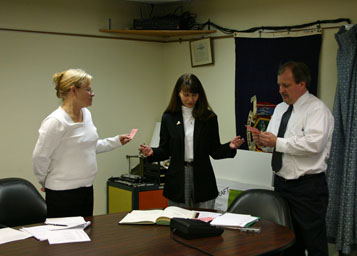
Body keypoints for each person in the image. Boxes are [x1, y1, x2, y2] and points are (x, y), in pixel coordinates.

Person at [251, 62, 334, 256]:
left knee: (314, 244)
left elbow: (313, 145)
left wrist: (277, 142)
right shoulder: (280, 109)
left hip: (308, 188)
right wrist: (263, 141)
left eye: (286, 85)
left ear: (302, 84)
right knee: (286, 242)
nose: (280, 90)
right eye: (279, 85)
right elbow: (274, 144)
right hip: (282, 185)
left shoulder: (317, 110)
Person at [32, 68, 132, 218]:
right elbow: (39, 157)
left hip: (86, 189)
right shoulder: (55, 121)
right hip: (61, 193)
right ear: (73, 90)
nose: (92, 93)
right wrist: (44, 182)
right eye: (88, 89)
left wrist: (115, 141)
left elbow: (88, 147)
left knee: (86, 236)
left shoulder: (86, 114)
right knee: (64, 239)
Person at [139, 73, 244, 209]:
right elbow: (165, 150)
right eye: (186, 95)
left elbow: (215, 151)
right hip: (178, 176)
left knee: (204, 221)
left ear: (200, 95)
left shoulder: (209, 117)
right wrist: (151, 152)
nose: (190, 99)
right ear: (178, 93)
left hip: (202, 175)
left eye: (194, 95)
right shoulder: (169, 118)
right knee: (178, 221)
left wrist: (230, 146)